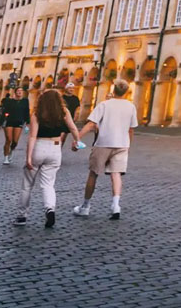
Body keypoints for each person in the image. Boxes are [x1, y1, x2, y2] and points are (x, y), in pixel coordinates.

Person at [14, 87, 83, 229]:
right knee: (48, 184)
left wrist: (28, 158)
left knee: (27, 185)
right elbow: (73, 128)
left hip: (39, 147)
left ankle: (22, 216)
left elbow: (32, 137)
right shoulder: (64, 112)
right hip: (55, 148)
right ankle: (50, 209)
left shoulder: (37, 113)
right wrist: (77, 141)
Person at [73, 79, 138, 221]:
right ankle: (116, 206)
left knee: (93, 174)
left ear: (114, 90)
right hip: (122, 144)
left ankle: (85, 206)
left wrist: (77, 138)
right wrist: (128, 145)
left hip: (103, 143)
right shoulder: (131, 107)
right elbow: (131, 129)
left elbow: (91, 124)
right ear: (126, 92)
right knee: (116, 175)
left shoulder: (104, 105)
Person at [0, 86, 30, 165]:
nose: (20, 92)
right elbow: (5, 111)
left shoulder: (25, 101)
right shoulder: (10, 101)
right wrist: (2, 121)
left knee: (15, 141)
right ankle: (6, 157)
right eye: (18, 91)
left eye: (21, 91)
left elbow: (27, 111)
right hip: (9, 121)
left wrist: (27, 122)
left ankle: (11, 152)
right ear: (15, 92)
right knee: (8, 139)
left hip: (19, 122)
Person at [57, 79, 82, 149]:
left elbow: (78, 108)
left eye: (72, 88)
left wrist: (76, 116)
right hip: (61, 120)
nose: (71, 89)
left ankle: (59, 149)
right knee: (60, 136)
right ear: (66, 88)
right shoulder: (61, 97)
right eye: (70, 88)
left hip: (70, 120)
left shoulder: (75, 98)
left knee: (64, 137)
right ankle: (56, 149)